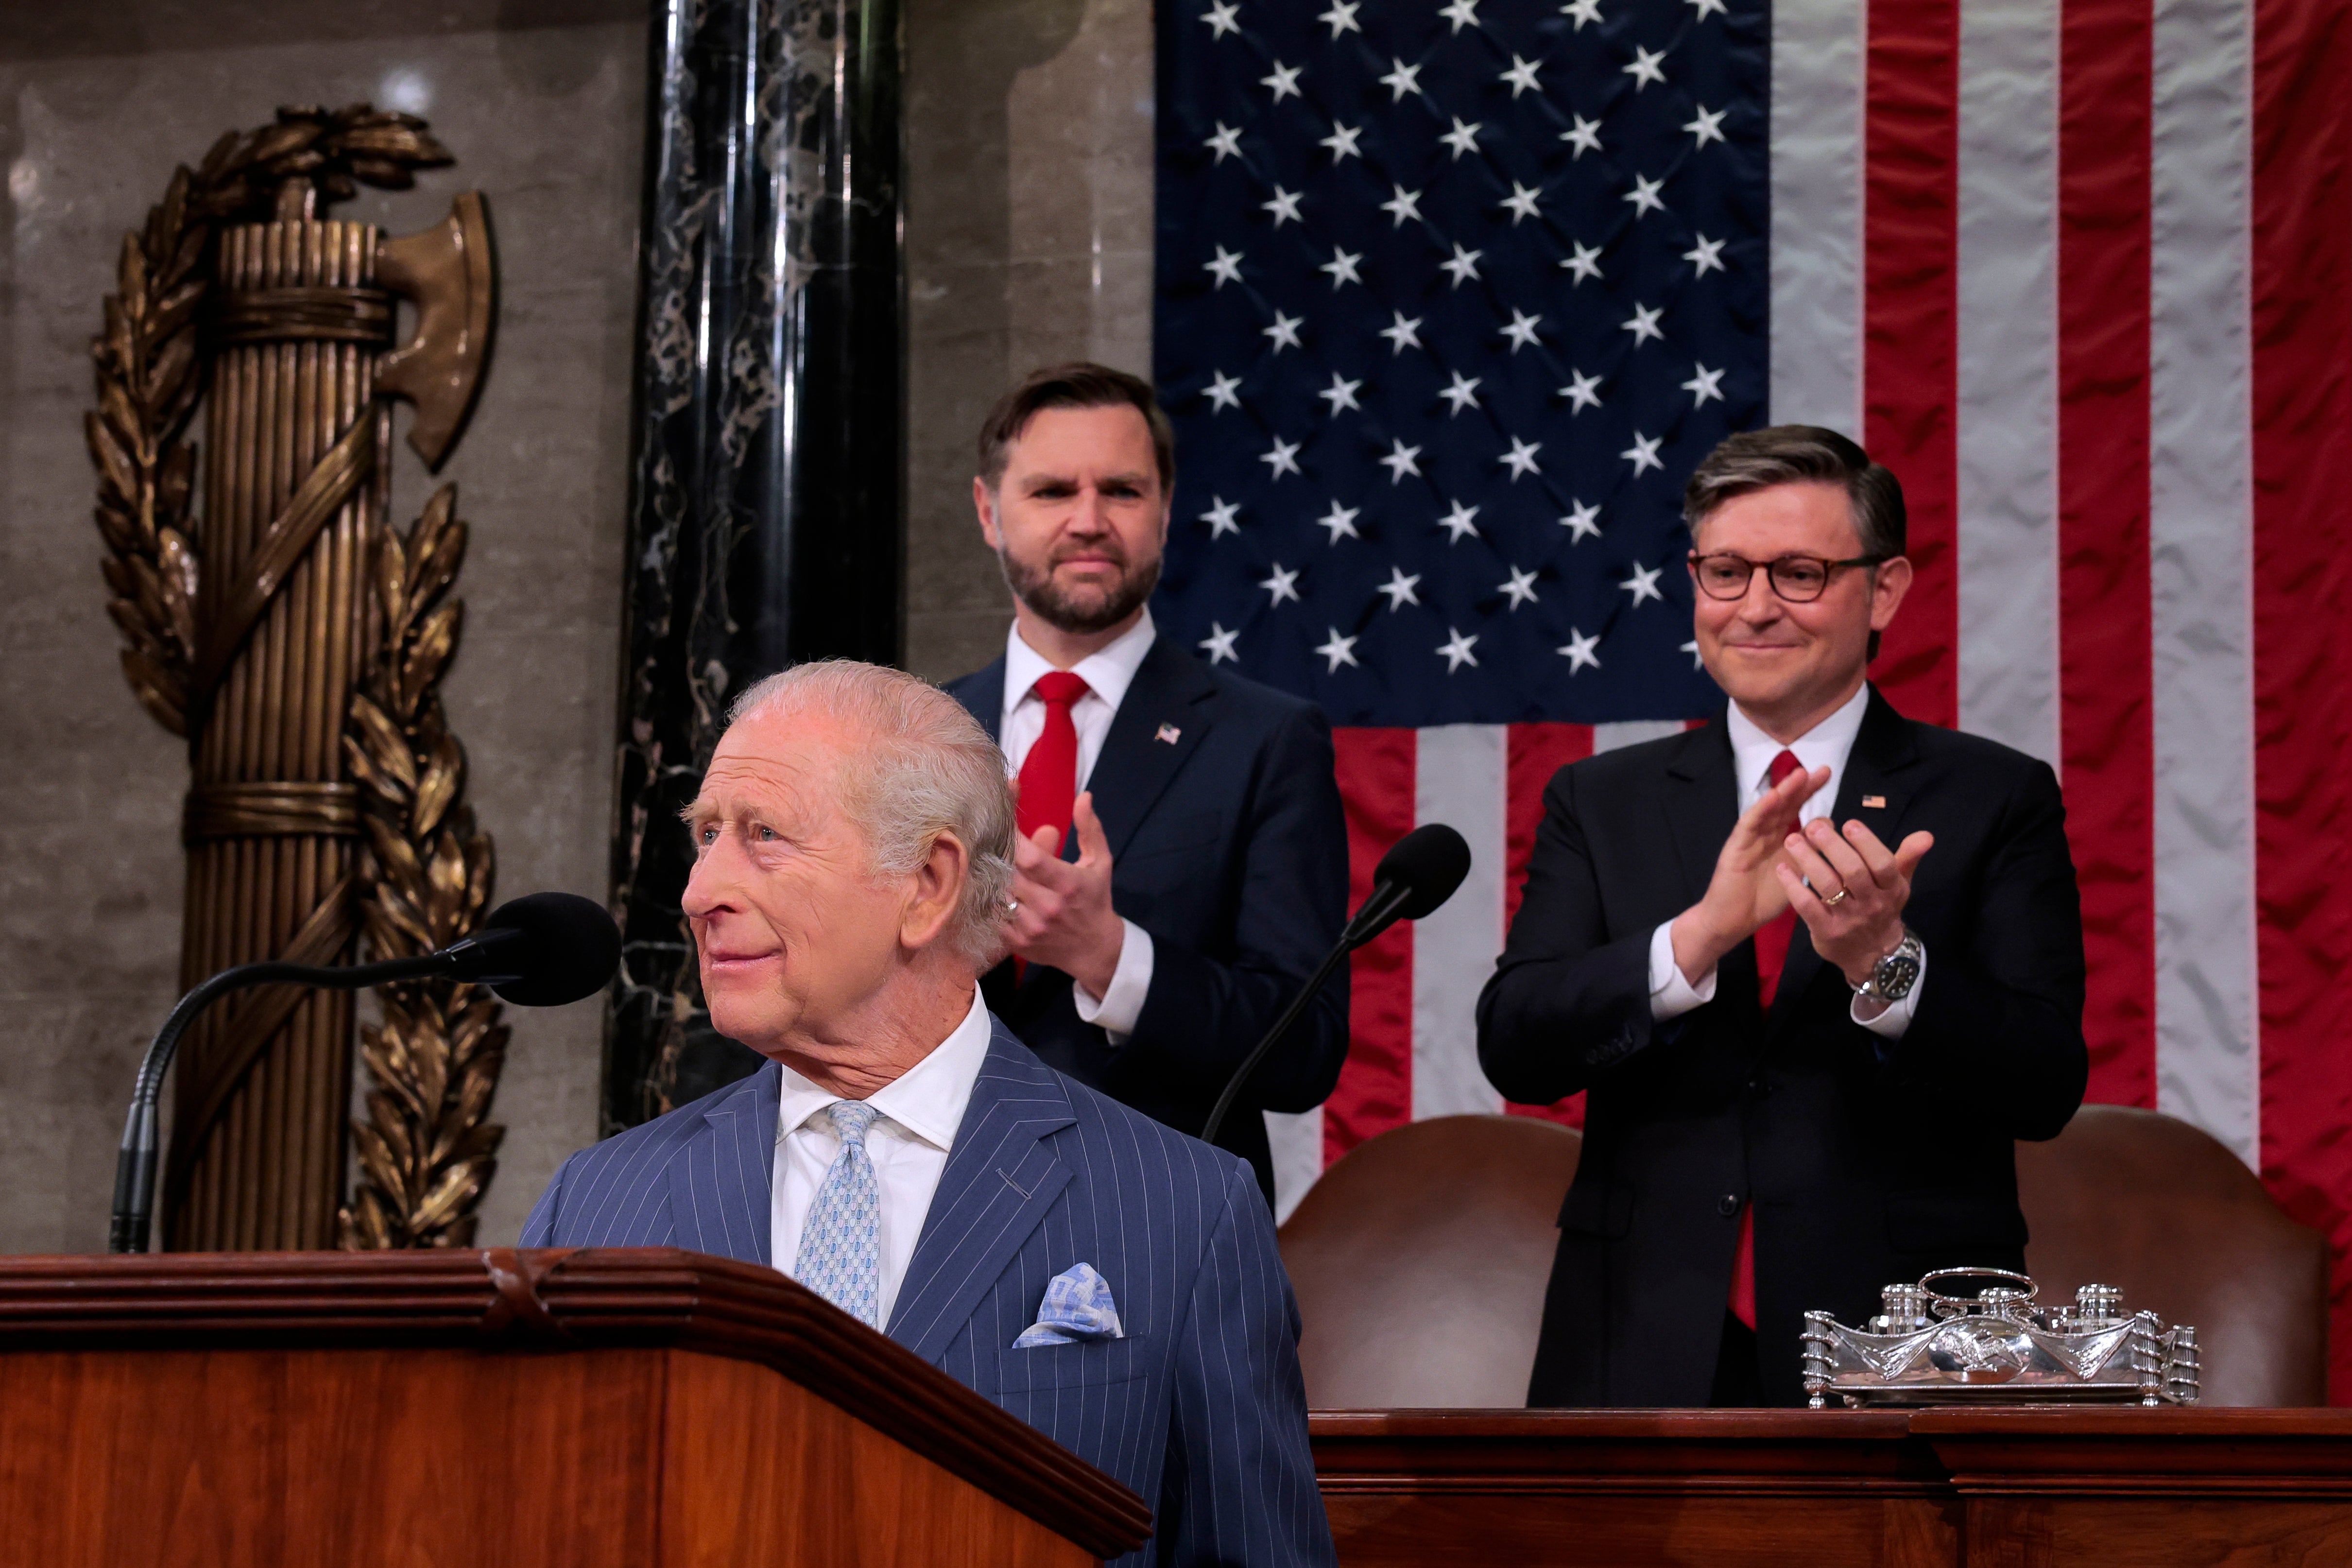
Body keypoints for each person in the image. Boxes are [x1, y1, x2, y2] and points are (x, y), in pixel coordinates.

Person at [522, 662, 1334, 1567]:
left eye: (763, 836)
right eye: (705, 836)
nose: (700, 890)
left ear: (927, 883)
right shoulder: (595, 1205)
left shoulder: (1183, 1211)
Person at [1477, 426, 2088, 1409]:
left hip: (1906, 1340)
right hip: (1640, 1336)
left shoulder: (1993, 797)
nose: (1755, 608)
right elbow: (1516, 1044)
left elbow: (2046, 1081)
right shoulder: (1600, 801)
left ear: (1884, 590)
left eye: (1799, 574)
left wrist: (1885, 966)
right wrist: (1701, 937)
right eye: (1726, 572)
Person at [943, 362, 1350, 1205]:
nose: (1088, 522)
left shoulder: (1266, 739)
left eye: (1122, 491)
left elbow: (1304, 1049)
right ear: (988, 512)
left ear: (1164, 511)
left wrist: (1109, 957)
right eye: (1052, 490)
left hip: (1156, 1228)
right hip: (933, 1217)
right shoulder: (914, 734)